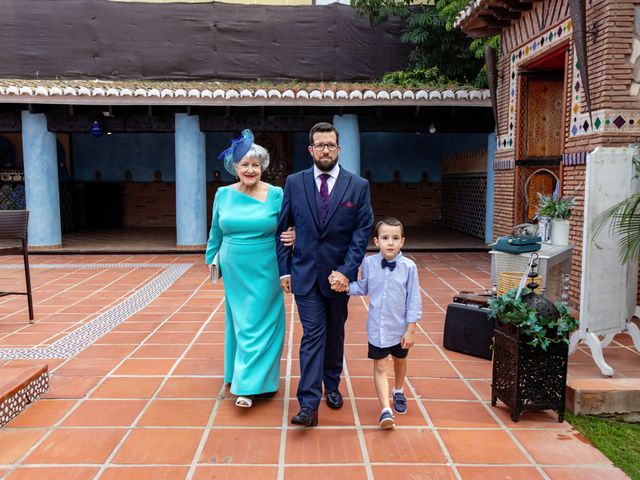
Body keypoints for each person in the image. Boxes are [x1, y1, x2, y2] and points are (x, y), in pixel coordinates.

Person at [277, 122, 374, 427]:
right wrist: (284, 271)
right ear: (311, 149)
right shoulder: (294, 182)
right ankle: (308, 404)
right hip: (304, 274)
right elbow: (283, 229)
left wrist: (347, 272)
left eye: (330, 144)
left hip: (337, 278)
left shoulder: (357, 186)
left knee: (335, 334)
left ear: (339, 148)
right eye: (319, 145)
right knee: (313, 335)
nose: (325, 150)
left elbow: (361, 233)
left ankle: (331, 385)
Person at [206, 129, 294, 408]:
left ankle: (249, 386)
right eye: (244, 164)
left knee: (262, 323)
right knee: (240, 322)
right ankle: (238, 374)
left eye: (255, 165)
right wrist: (211, 258)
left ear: (262, 167)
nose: (250, 169)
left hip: (266, 265)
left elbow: (291, 226)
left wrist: (295, 238)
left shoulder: (277, 194)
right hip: (234, 267)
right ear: (235, 168)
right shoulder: (223, 194)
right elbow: (215, 232)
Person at [346, 217, 422, 429]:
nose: (390, 242)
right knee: (380, 365)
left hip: (400, 329)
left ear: (402, 242)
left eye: (395, 238)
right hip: (377, 328)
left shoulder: (409, 267)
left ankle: (398, 390)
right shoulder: (369, 263)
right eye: (385, 238)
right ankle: (385, 410)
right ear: (377, 241)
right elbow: (363, 287)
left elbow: (413, 299)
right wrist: (344, 286)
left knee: (399, 361)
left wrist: (411, 329)